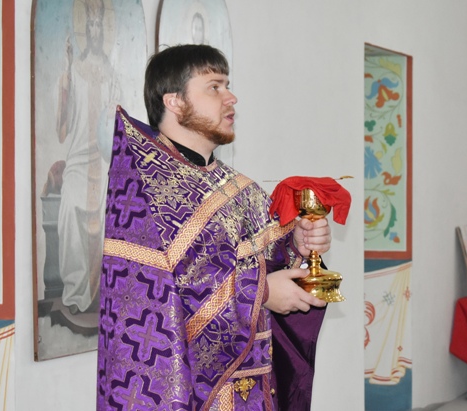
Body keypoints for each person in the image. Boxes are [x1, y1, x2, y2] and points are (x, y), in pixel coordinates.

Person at [97, 44, 330, 410]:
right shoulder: (145, 187)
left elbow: (267, 264)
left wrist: (298, 246)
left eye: (228, 85)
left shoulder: (241, 189)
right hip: (192, 394)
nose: (231, 97)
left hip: (256, 391)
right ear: (175, 101)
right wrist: (262, 292)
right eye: (215, 87)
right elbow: (157, 297)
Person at [56, 0, 120, 315]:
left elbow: (119, 123)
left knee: (113, 213)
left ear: (103, 30)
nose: (94, 30)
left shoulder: (111, 74)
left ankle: (105, 293)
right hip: (78, 159)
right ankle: (76, 290)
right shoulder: (76, 69)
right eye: (90, 24)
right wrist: (67, 74)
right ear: (85, 29)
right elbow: (63, 128)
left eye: (98, 24)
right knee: (68, 208)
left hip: (103, 160)